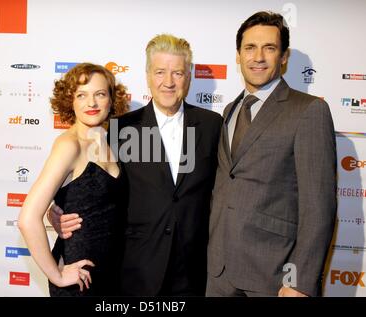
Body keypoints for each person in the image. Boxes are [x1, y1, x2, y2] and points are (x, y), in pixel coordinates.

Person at [49, 34, 223, 296]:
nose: (168, 82)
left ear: (188, 76)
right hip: (134, 271)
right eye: (160, 72)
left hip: (192, 272)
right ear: (147, 75)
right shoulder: (121, 128)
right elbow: (96, 186)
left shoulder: (212, 125)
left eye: (177, 73)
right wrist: (59, 208)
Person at [206, 11, 337, 297]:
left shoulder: (308, 110)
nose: (259, 57)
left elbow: (319, 206)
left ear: (284, 56)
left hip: (273, 277)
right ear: (238, 56)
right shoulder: (230, 110)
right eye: (250, 48)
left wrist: (298, 282)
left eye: (270, 48)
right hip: (219, 274)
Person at [18, 63, 128, 296]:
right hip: (79, 279)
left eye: (100, 94)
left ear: (111, 99)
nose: (92, 103)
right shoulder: (69, 145)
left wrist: (55, 210)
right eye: (82, 95)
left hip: (113, 273)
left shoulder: (113, 143)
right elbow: (27, 218)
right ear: (70, 100)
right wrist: (56, 275)